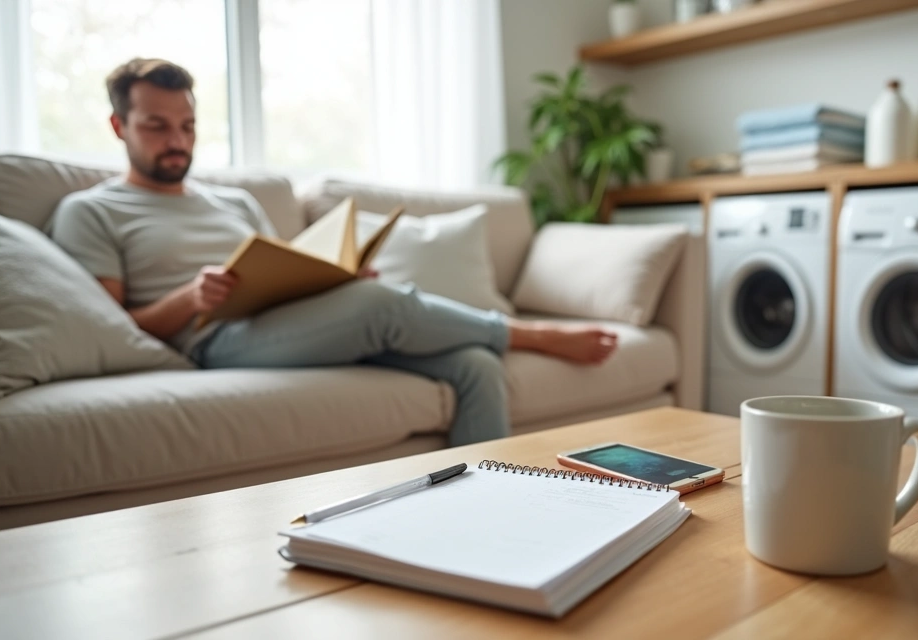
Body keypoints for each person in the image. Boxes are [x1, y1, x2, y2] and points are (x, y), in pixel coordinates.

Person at [48, 58, 618, 446]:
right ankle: (536, 335)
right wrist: (190, 297)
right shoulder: (91, 211)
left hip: (292, 323)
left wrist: (332, 279)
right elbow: (112, 327)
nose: (177, 141)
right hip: (215, 341)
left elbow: (278, 271)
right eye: (157, 126)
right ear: (118, 125)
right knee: (381, 304)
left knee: (475, 366)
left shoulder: (234, 201)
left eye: (188, 126)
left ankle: (487, 511)